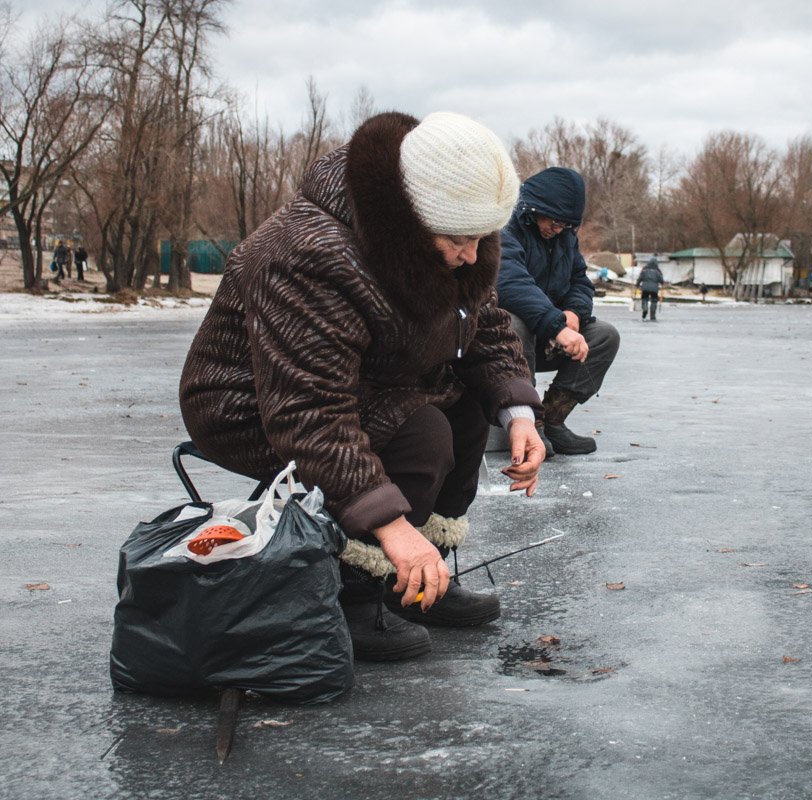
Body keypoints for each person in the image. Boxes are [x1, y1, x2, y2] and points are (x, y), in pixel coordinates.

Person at [179, 112, 545, 663]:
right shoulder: (307, 254)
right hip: (250, 403)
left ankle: (426, 578)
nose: (472, 255)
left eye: (481, 238)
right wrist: (390, 527)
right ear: (412, 221)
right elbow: (309, 408)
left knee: (469, 407)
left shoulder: (449, 235)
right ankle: (354, 590)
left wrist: (519, 413)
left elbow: (482, 324)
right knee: (421, 435)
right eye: (460, 240)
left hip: (371, 378)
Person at [497, 167, 621, 457]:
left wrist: (573, 313)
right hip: (508, 344)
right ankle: (527, 421)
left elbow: (580, 280)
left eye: (566, 225)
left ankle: (551, 420)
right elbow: (511, 283)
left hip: (550, 334)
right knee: (514, 324)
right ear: (534, 208)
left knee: (604, 335)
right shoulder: (505, 228)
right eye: (553, 221)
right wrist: (556, 325)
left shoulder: (563, 237)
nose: (557, 229)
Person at [638, 256, 665, 321]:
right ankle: (652, 316)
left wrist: (637, 285)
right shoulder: (658, 271)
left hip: (645, 288)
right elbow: (661, 280)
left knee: (644, 299)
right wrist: (662, 283)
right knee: (654, 301)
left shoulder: (644, 269)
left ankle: (645, 308)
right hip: (654, 289)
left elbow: (640, 278)